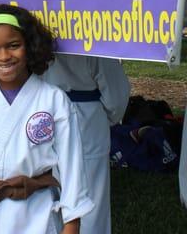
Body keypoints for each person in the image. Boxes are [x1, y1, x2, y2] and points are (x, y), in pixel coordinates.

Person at [0, 4, 94, 234]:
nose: (4, 56)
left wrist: (72, 222)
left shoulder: (54, 99)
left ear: (30, 46)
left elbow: (72, 165)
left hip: (39, 213)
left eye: (13, 45)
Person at [43, 54, 130, 234]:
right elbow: (116, 96)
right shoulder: (96, 42)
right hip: (86, 118)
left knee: (53, 186)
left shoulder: (37, 35)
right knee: (91, 194)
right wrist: (110, 117)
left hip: (49, 114)